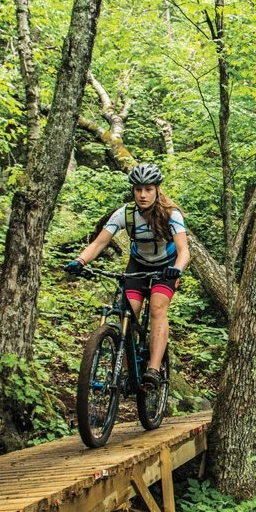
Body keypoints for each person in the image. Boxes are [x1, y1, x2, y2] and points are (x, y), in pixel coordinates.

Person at [65, 163, 189, 391]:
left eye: (148, 189)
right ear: (133, 190)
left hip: (166, 267)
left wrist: (177, 269)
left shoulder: (172, 214)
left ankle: (153, 369)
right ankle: (125, 371)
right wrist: (80, 261)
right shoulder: (125, 214)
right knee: (128, 313)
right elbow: (99, 243)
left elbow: (184, 251)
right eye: (138, 189)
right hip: (138, 265)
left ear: (157, 190)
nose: (143, 195)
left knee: (157, 309)